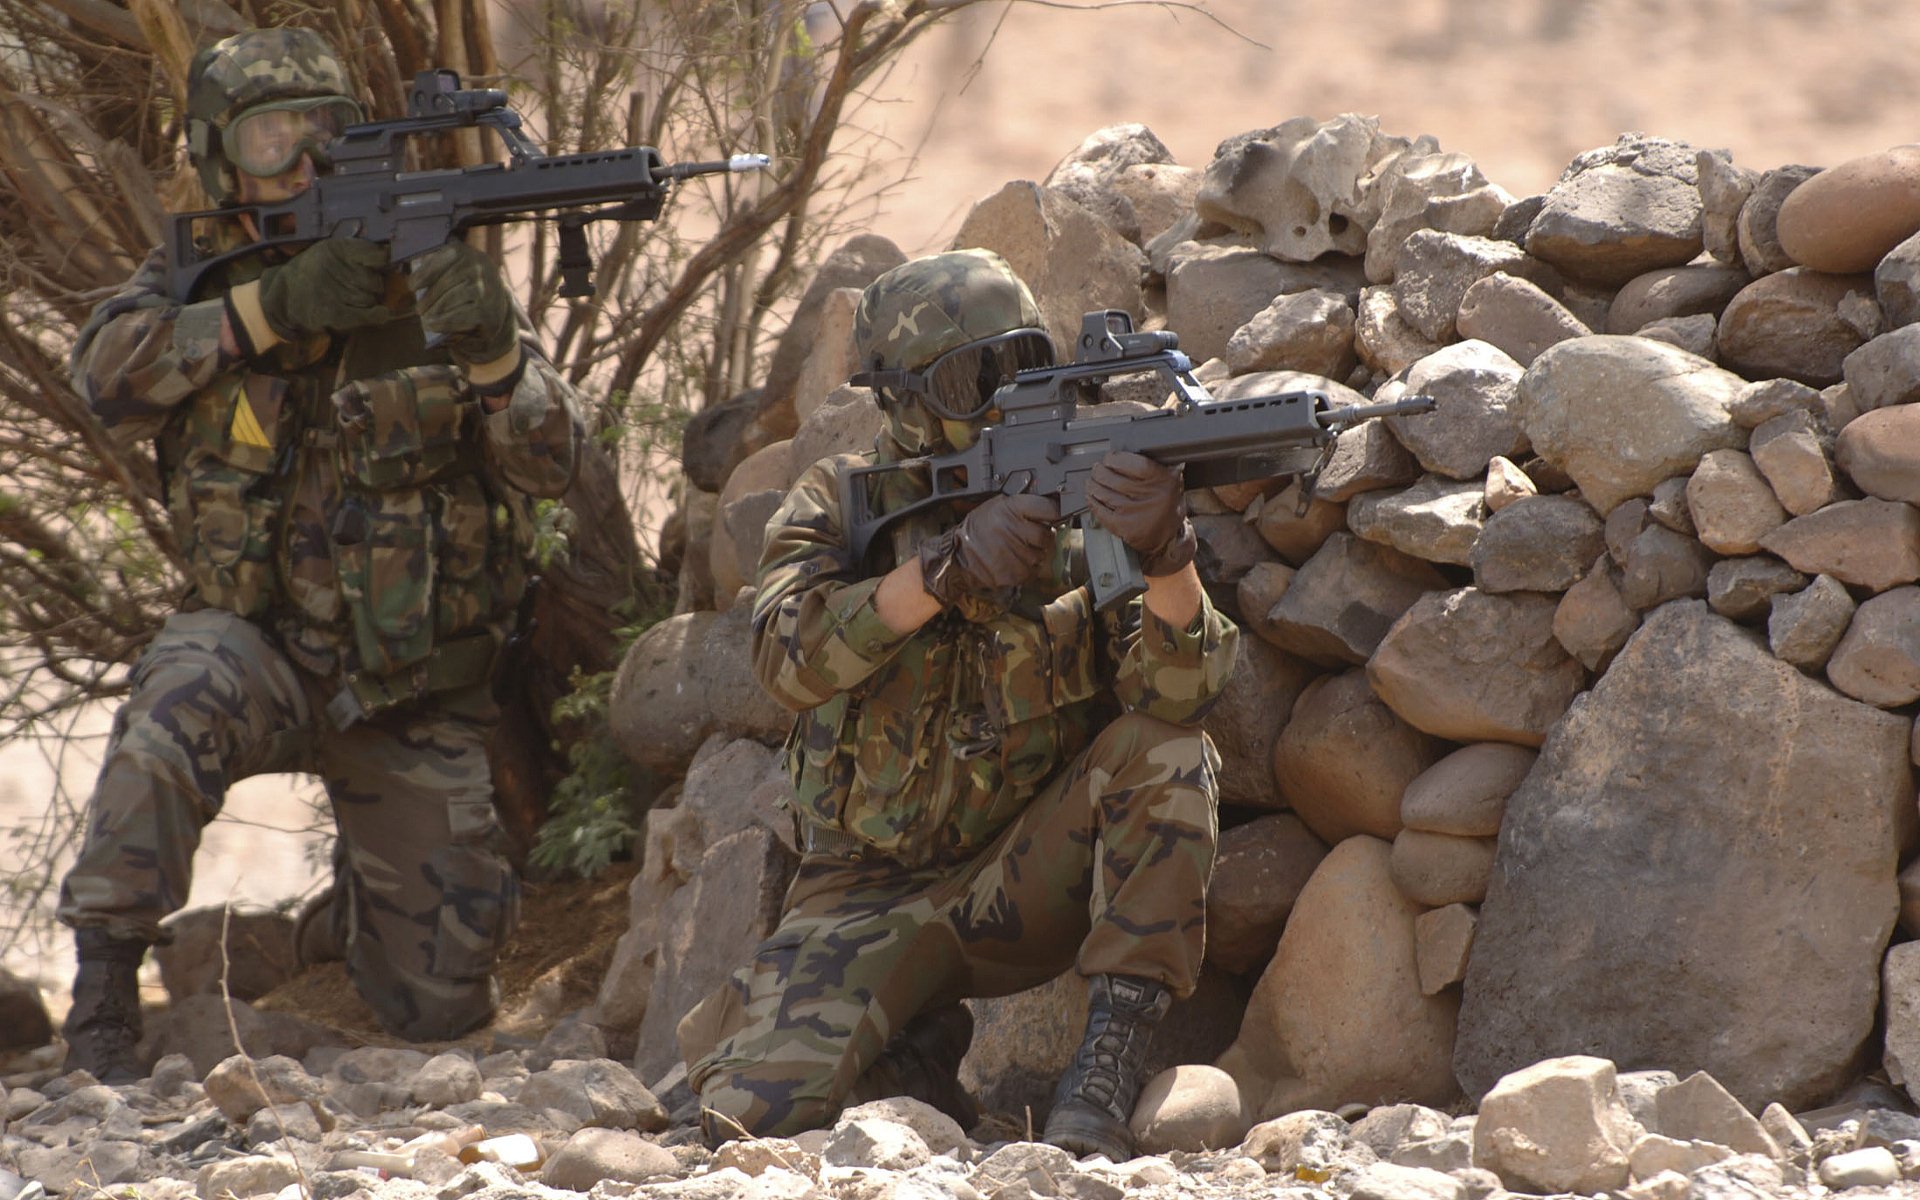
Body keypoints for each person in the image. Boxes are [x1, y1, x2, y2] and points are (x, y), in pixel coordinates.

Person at [55, 27, 584, 1082]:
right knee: (167, 717)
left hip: (408, 685)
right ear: (217, 157)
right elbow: (103, 376)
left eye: (324, 134)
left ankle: (296, 938)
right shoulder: (198, 269)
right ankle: (105, 988)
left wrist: (489, 354)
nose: (300, 161)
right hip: (255, 651)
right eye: (268, 139)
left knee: (437, 1004)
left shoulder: (438, 273)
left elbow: (552, 461)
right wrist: (268, 309)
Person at [676, 249, 1239, 1160]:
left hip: (1016, 882)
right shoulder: (839, 498)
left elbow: (1179, 695)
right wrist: (943, 572)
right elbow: (784, 660)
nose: (1000, 398)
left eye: (1021, 366)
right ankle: (906, 1054)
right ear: (898, 396)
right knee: (748, 1118)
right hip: (860, 888)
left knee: (1164, 754)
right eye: (972, 378)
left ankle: (1104, 1070)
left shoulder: (1086, 500)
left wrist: (1168, 554)